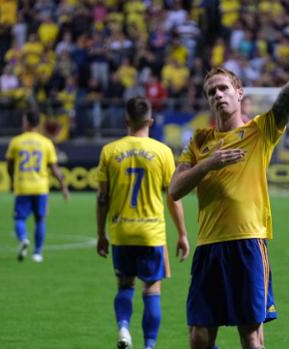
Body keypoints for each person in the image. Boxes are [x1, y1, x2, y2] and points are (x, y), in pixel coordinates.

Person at [168, 8, 289, 349]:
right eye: (211, 92)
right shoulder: (199, 142)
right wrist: (210, 163)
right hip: (208, 246)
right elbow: (175, 190)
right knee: (198, 338)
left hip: (248, 242)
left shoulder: (260, 130)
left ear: (239, 93)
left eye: (223, 89)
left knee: (250, 337)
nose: (217, 95)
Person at [96, 96, 190, 349]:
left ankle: (124, 329)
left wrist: (101, 234)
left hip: (121, 231)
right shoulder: (162, 152)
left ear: (126, 119)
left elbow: (102, 198)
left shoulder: (109, 151)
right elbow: (173, 198)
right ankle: (149, 346)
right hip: (151, 233)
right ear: (150, 120)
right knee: (151, 289)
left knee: (124, 285)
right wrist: (182, 234)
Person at [6, 111, 70, 263]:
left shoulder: (16, 141)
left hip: (23, 185)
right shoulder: (46, 142)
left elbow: (9, 165)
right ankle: (37, 253)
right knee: (40, 219)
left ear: (26, 122)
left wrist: (12, 179)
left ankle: (23, 239)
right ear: (38, 124)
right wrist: (64, 187)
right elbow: (55, 169)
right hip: (41, 187)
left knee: (19, 218)